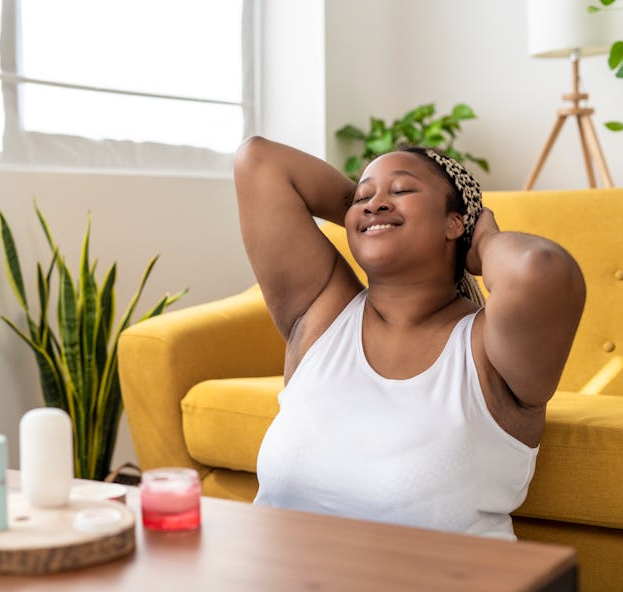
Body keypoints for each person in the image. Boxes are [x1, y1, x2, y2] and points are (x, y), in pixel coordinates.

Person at [233, 136, 585, 540]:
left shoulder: (485, 347)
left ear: (456, 224)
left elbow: (540, 269)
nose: (376, 201)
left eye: (402, 189)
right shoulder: (323, 314)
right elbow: (257, 160)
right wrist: (375, 214)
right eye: (362, 196)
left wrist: (482, 240)